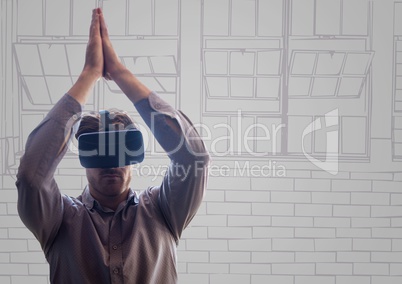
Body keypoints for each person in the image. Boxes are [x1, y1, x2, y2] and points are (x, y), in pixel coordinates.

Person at [15, 8, 209, 284]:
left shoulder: (163, 210)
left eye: (120, 150)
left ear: (133, 153)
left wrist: (120, 73)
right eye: (98, 152)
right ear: (83, 155)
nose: (111, 163)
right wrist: (88, 76)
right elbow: (31, 177)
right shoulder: (59, 220)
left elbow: (194, 159)